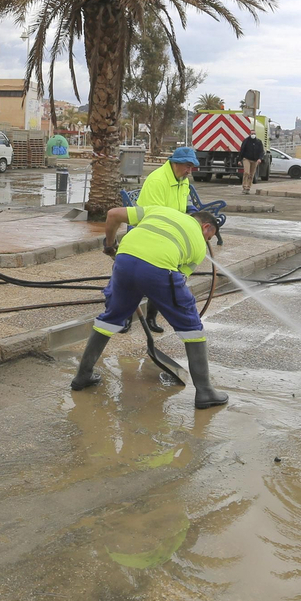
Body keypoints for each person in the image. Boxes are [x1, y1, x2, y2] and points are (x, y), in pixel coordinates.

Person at [70, 204, 227, 409]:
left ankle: (82, 376)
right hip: (159, 268)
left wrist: (110, 245)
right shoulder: (198, 247)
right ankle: (205, 392)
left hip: (124, 260)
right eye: (209, 237)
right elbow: (176, 281)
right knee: (191, 326)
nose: (207, 241)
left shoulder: (159, 210)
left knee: (110, 319)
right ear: (206, 227)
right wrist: (151, 286)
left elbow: (113, 214)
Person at [135, 145, 198, 333]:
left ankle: (151, 317)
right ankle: (124, 319)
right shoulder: (157, 181)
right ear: (174, 163)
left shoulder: (183, 180)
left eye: (192, 167)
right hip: (147, 229)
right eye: (187, 166)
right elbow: (155, 214)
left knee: (164, 276)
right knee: (136, 276)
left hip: (170, 231)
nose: (189, 171)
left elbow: (183, 204)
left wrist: (195, 215)